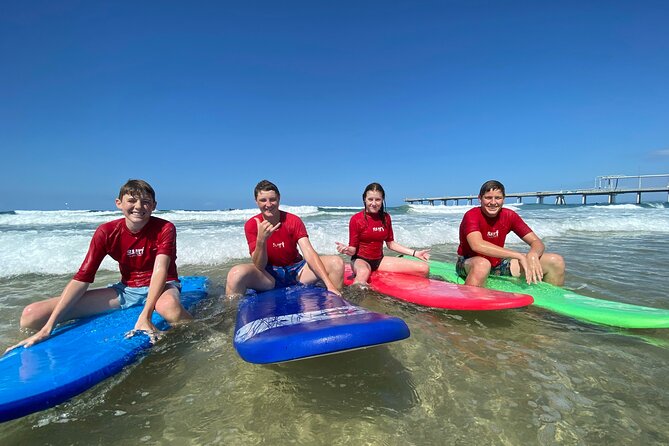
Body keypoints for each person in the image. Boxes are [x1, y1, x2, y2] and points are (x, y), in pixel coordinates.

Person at [6, 179, 192, 352]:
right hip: (126, 290)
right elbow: (82, 278)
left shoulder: (165, 228)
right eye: (132, 200)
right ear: (118, 203)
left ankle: (198, 332)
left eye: (145, 201)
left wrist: (146, 315)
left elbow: (160, 270)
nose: (138, 206)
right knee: (31, 315)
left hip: (163, 286)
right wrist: (48, 328)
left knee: (170, 308)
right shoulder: (106, 232)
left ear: (154, 206)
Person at [226, 180, 344, 296]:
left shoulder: (293, 220)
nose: (268, 204)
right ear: (256, 201)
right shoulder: (252, 224)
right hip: (268, 276)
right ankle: (230, 312)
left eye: (272, 199)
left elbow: (309, 254)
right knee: (235, 274)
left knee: (336, 262)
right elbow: (259, 266)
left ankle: (335, 298)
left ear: (279, 198)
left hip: (298, 271)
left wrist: (329, 285)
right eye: (263, 200)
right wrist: (261, 240)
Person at [456, 179, 565, 287]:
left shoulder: (509, 216)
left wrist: (533, 255)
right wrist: (518, 255)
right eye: (488, 198)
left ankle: (549, 300)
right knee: (482, 264)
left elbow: (536, 241)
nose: (493, 202)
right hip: (469, 263)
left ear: (503, 199)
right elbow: (477, 245)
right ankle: (471, 301)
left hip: (498, 265)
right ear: (480, 199)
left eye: (498, 198)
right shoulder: (472, 215)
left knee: (555, 261)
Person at [335, 182, 430, 286]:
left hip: (379, 260)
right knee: (363, 272)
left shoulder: (386, 218)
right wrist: (346, 249)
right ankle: (353, 300)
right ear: (364, 199)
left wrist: (415, 253)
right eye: (370, 199)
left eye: (378, 199)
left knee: (423, 268)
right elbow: (353, 250)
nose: (374, 203)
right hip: (360, 260)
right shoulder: (356, 219)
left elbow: (391, 244)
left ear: (382, 200)